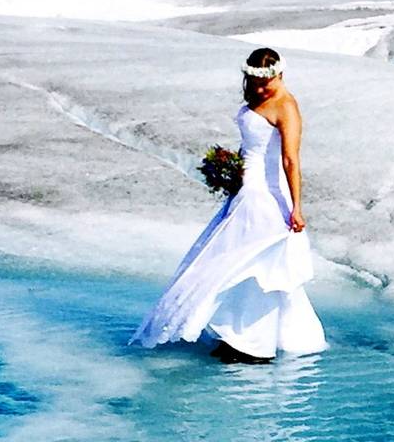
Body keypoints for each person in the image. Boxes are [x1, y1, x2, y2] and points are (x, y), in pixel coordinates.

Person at [129, 47, 327, 363]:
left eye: (265, 83)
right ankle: (232, 334)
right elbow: (249, 144)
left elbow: (290, 159)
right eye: (253, 82)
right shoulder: (257, 100)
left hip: (266, 194)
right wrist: (231, 171)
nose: (259, 89)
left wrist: (297, 207)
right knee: (229, 260)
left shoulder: (286, 106)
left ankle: (253, 345)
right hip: (244, 191)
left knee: (254, 264)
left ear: (280, 75)